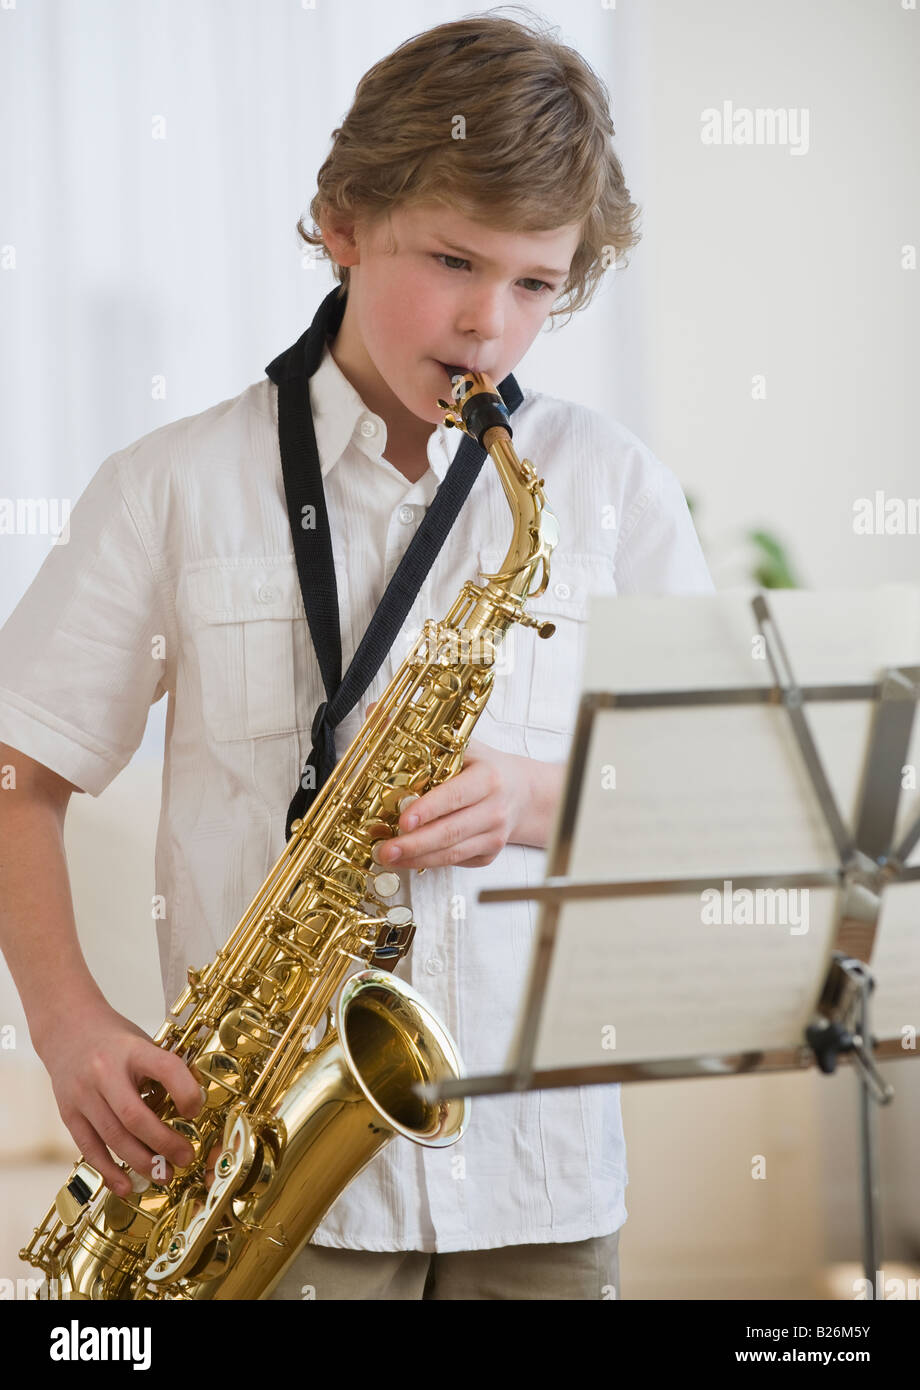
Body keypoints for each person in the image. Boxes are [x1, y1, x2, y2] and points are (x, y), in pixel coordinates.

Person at [0, 11, 714, 1300]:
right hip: (256, 1177)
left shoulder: (615, 487)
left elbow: (719, 789)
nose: (489, 323)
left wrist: (537, 798)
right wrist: (66, 1024)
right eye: (451, 259)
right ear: (341, 221)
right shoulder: (173, 485)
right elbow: (17, 775)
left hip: (536, 1175)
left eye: (536, 284)